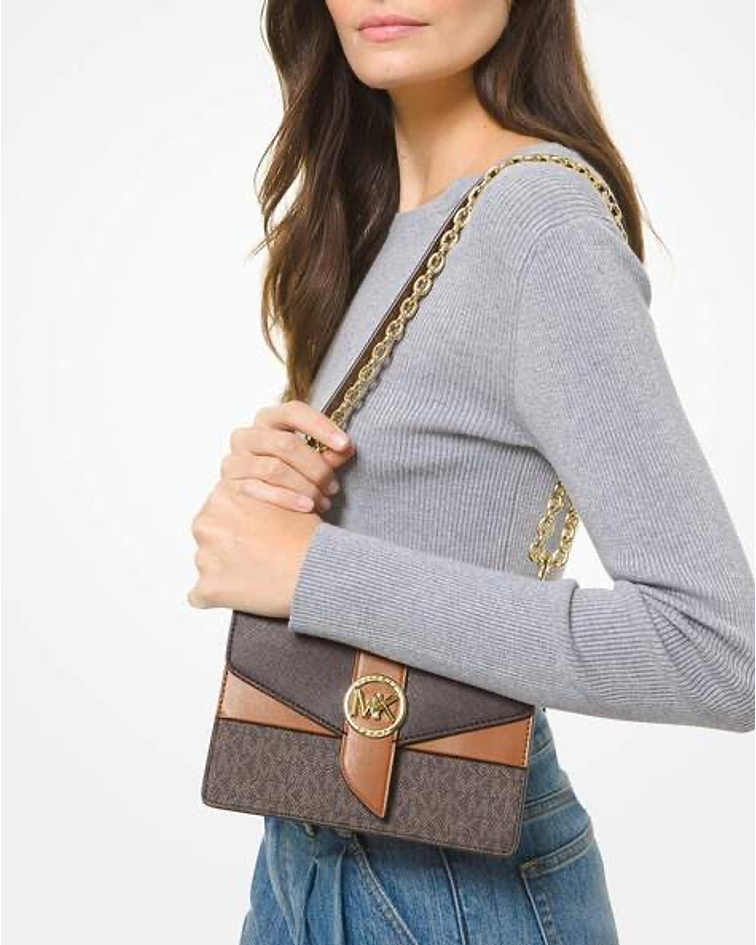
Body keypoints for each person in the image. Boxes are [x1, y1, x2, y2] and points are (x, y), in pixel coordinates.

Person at [188, 2, 755, 942]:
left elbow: (719, 651)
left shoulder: (538, 221)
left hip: (451, 882)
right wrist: (280, 486)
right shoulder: (378, 215)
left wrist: (313, 570)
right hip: (303, 847)